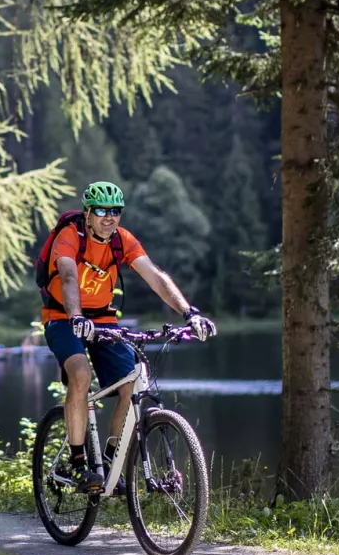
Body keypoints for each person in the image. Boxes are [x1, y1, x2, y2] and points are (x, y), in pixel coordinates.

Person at [41, 181, 217, 492]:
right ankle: (80, 465)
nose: (109, 217)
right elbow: (68, 276)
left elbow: (156, 277)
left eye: (115, 212)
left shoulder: (122, 240)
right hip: (63, 317)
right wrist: (76, 317)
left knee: (131, 383)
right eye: (101, 211)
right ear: (87, 213)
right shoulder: (70, 237)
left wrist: (189, 313)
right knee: (80, 375)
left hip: (104, 320)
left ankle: (109, 461)